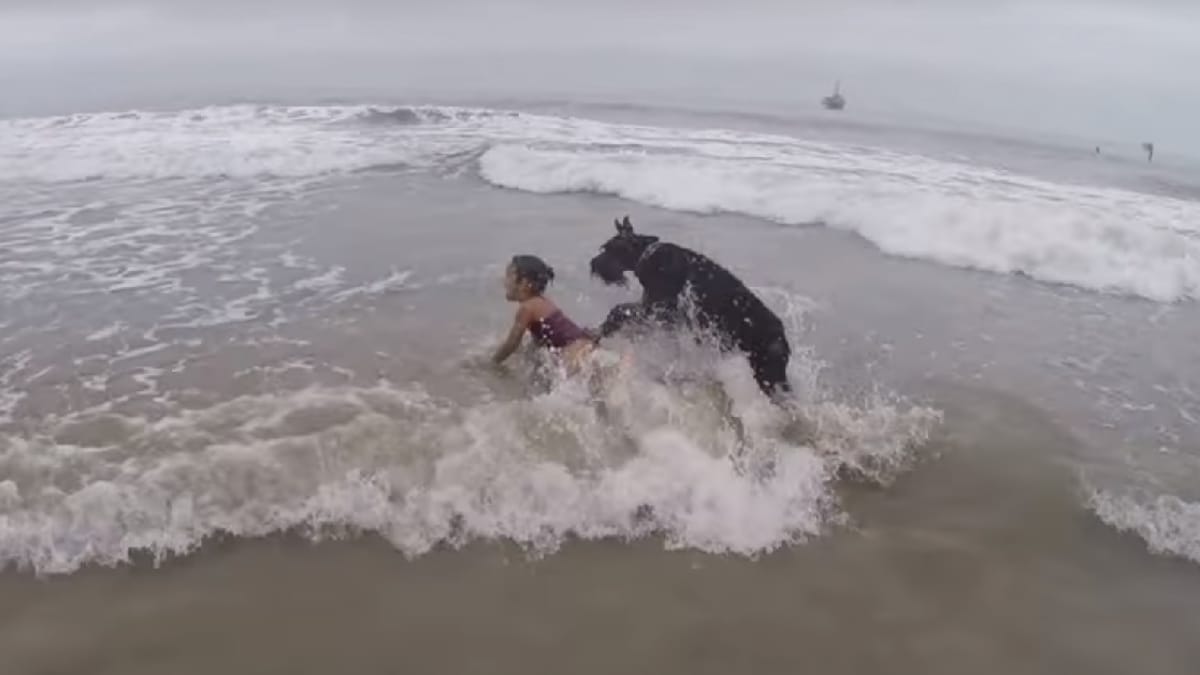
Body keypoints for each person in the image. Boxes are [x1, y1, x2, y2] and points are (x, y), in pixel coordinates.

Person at [492, 255, 598, 374]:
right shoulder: (542, 302)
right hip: (585, 349)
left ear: (524, 283)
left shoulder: (526, 308)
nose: (504, 281)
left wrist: (493, 362)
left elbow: (511, 344)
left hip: (575, 356)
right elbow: (543, 340)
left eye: (509, 276)